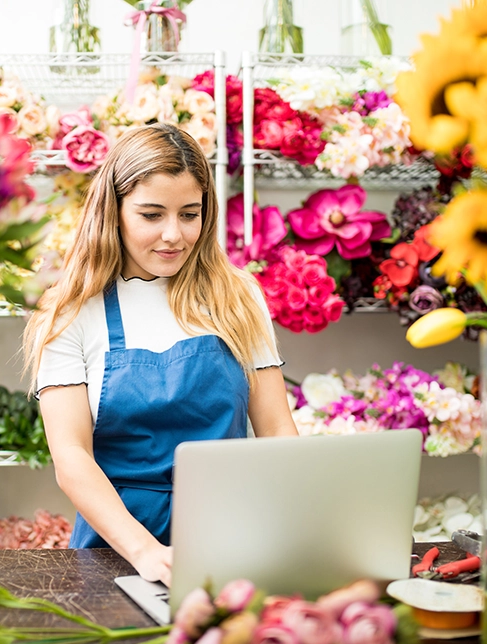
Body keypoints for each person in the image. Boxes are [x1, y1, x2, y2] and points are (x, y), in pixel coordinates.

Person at [22, 123, 298, 586]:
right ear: (114, 210)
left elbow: (275, 428)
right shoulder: (72, 309)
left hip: (230, 530)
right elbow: (71, 457)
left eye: (189, 214)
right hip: (119, 544)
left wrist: (301, 520)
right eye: (152, 215)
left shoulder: (238, 296)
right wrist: (145, 552)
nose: (173, 235)